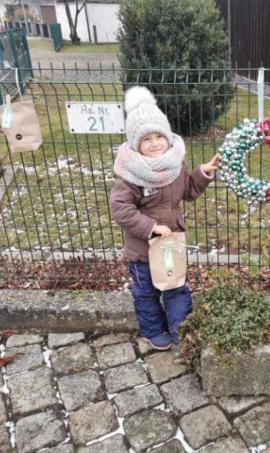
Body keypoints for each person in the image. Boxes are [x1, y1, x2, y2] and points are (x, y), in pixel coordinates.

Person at [109, 86, 221, 350]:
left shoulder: (175, 165)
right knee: (146, 292)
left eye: (160, 136)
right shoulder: (131, 175)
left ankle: (180, 329)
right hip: (143, 250)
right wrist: (151, 227)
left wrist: (202, 173)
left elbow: (188, 191)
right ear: (136, 143)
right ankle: (153, 331)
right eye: (146, 139)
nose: (155, 143)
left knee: (176, 287)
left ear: (168, 137)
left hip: (171, 246)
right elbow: (120, 207)